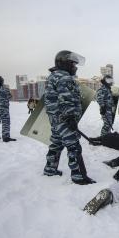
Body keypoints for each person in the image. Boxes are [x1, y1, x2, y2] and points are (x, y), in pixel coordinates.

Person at [43, 50, 96, 185]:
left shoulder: (54, 76)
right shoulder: (64, 77)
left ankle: (50, 169)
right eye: (73, 64)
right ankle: (79, 176)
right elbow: (66, 99)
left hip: (56, 118)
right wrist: (70, 117)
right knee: (74, 147)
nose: (75, 67)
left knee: (56, 143)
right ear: (65, 63)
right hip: (64, 119)